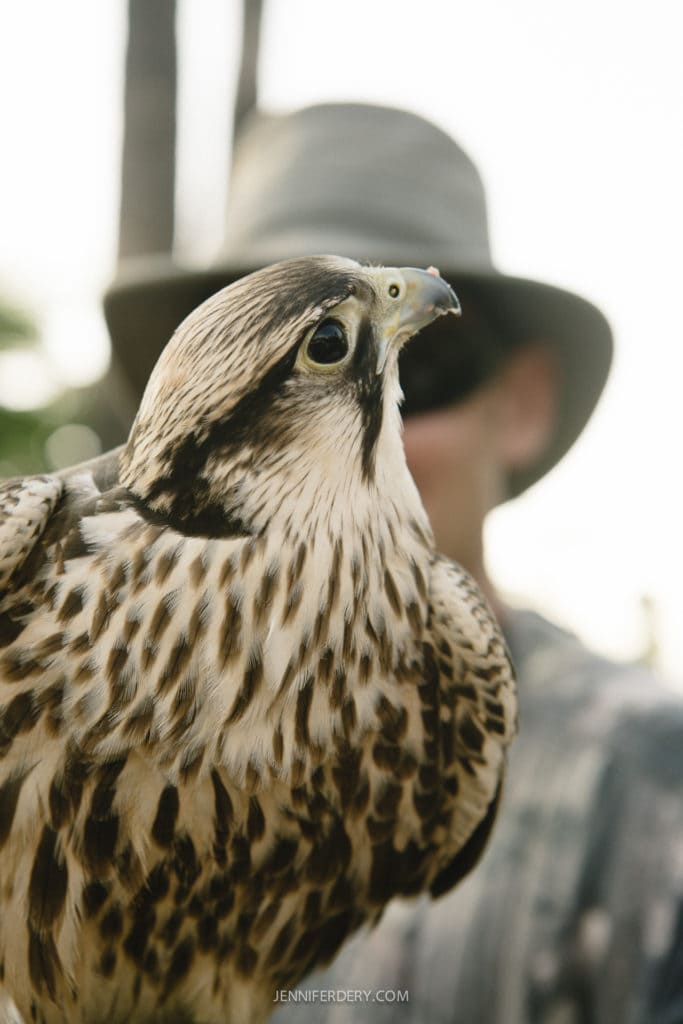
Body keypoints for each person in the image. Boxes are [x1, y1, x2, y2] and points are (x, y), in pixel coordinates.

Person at [104, 104, 683, 1024]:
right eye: (304, 354)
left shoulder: (647, 768)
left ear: (522, 404)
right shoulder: (71, 675)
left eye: (430, 365)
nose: (360, 419)